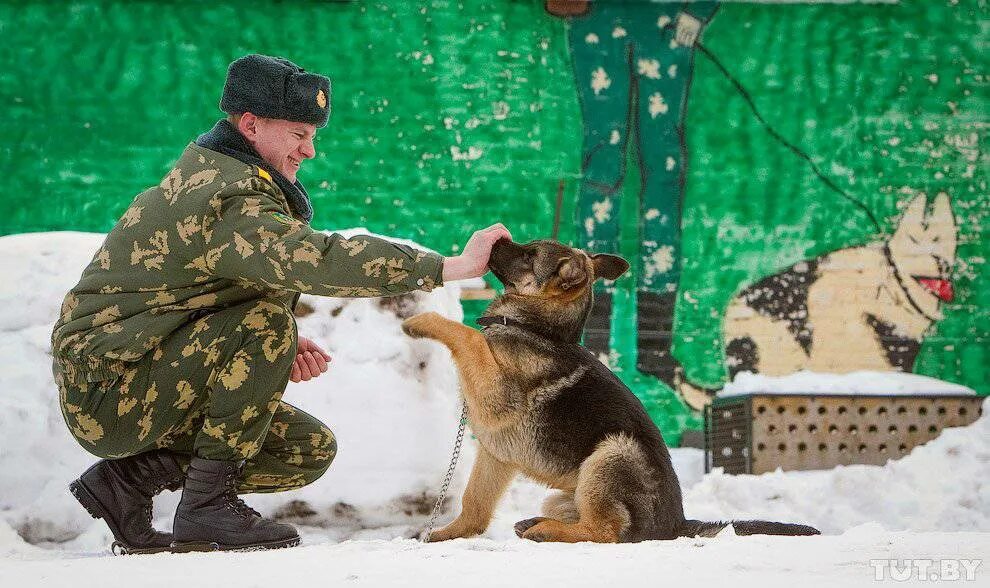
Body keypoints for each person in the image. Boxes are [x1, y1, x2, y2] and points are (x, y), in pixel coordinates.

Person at [50, 54, 511, 554]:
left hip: (143, 371)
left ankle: (124, 485)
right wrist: (448, 267)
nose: (309, 150)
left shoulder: (231, 180)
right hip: (109, 389)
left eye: (312, 136)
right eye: (298, 134)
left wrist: (257, 349)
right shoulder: (222, 194)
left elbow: (205, 290)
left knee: (303, 449)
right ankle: (206, 508)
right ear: (251, 125)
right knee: (266, 324)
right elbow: (317, 260)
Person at [546, 0, 718, 388]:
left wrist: (698, 10)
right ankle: (595, 342)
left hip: (664, 20)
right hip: (598, 19)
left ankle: (653, 348)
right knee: (605, 168)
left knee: (662, 169)